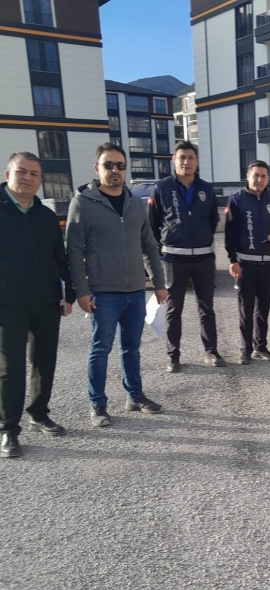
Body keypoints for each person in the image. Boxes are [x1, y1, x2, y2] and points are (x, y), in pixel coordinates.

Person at [66, 143, 166, 427]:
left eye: (120, 166)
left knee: (131, 348)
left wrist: (158, 283)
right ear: (97, 169)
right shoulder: (82, 204)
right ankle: (98, 405)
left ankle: (135, 396)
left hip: (135, 291)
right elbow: (74, 251)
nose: (115, 171)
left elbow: (149, 246)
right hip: (103, 292)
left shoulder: (135, 204)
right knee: (100, 350)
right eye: (108, 165)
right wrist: (82, 291)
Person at [0, 151, 75, 459]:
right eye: (22, 172)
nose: (28, 178)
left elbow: (60, 257)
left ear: (40, 181)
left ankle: (39, 414)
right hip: (8, 305)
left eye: (34, 174)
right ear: (8, 174)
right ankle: (8, 429)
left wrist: (68, 293)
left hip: (46, 302)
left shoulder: (45, 215)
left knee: (45, 361)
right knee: (11, 369)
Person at [148, 141, 222, 372]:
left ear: (196, 161)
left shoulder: (206, 189)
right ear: (174, 160)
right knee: (173, 309)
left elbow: (213, 220)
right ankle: (173, 356)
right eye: (182, 157)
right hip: (174, 259)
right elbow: (152, 224)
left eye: (191, 158)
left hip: (203, 258)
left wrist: (201, 238)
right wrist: (165, 247)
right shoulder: (162, 188)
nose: (186, 162)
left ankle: (211, 351)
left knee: (207, 308)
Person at [225, 160, 270, 364]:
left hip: (268, 265)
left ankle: (260, 347)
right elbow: (230, 233)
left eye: (263, 176)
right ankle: (246, 349)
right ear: (248, 176)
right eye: (256, 175)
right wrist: (233, 260)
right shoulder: (236, 200)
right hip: (245, 264)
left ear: (268, 179)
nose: (259, 179)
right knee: (246, 309)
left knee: (263, 310)